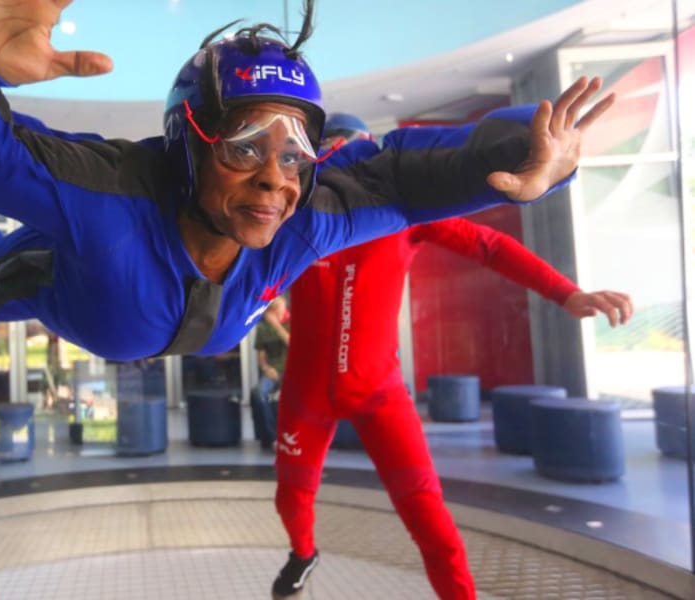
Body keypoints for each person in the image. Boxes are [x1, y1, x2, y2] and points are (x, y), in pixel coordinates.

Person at [0, 0, 614, 365]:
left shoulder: (305, 217)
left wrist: (525, 149)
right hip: (54, 279)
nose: (274, 180)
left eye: (296, 152)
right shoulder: (109, 194)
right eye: (245, 147)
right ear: (187, 144)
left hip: (146, 319)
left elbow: (403, 174)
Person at [269, 114, 635, 600]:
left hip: (378, 393)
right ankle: (303, 554)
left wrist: (566, 292)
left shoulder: (398, 210)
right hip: (307, 390)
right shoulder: (297, 214)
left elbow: (488, 244)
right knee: (291, 498)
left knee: (426, 515)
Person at [250, 296, 290, 449]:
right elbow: (261, 356)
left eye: (282, 309)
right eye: (277, 310)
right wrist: (266, 368)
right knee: (258, 394)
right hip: (274, 371)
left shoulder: (291, 323)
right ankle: (271, 436)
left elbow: (292, 344)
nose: (282, 312)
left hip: (292, 370)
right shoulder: (262, 328)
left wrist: (277, 326)